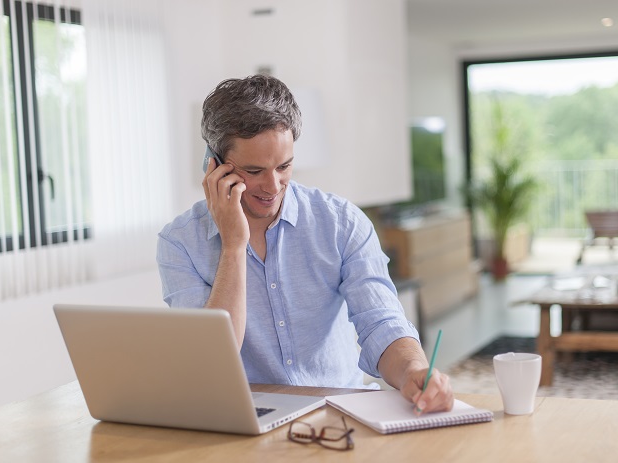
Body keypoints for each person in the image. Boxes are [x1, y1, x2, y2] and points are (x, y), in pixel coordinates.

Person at [157, 74, 453, 414]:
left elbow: (380, 321)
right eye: (254, 171)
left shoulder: (341, 222)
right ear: (214, 165)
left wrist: (412, 369)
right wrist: (234, 246)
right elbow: (209, 362)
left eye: (284, 166)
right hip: (245, 420)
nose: (273, 185)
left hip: (338, 413)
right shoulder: (179, 243)